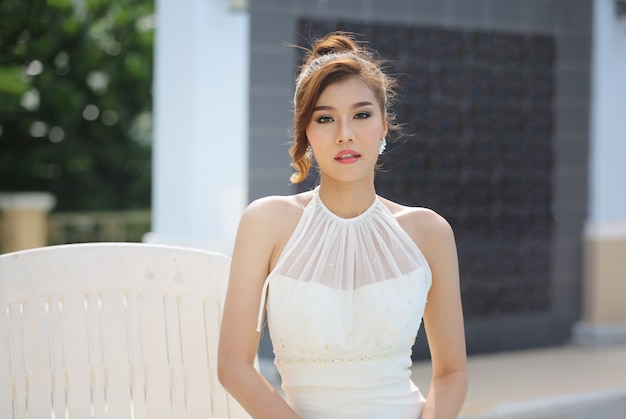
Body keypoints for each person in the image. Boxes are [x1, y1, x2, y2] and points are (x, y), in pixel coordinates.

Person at [218, 31, 468, 419]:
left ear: (384, 125)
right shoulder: (266, 222)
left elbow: (452, 372)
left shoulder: (429, 232)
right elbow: (234, 366)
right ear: (306, 131)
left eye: (361, 114)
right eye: (325, 118)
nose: (345, 133)